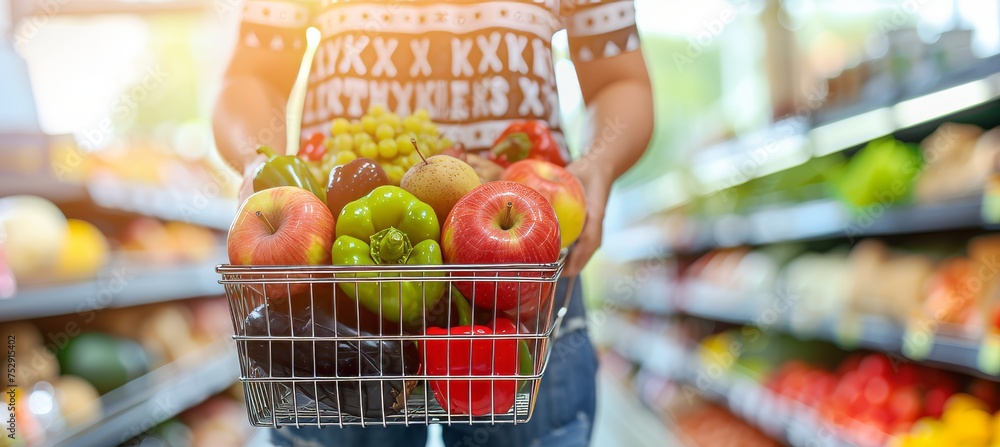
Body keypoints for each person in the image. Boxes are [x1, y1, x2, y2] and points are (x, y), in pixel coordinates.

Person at [213, 0, 653, 445]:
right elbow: (254, 73)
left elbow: (618, 78)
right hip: (342, 278)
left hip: (525, 274)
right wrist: (256, 161)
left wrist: (599, 164)